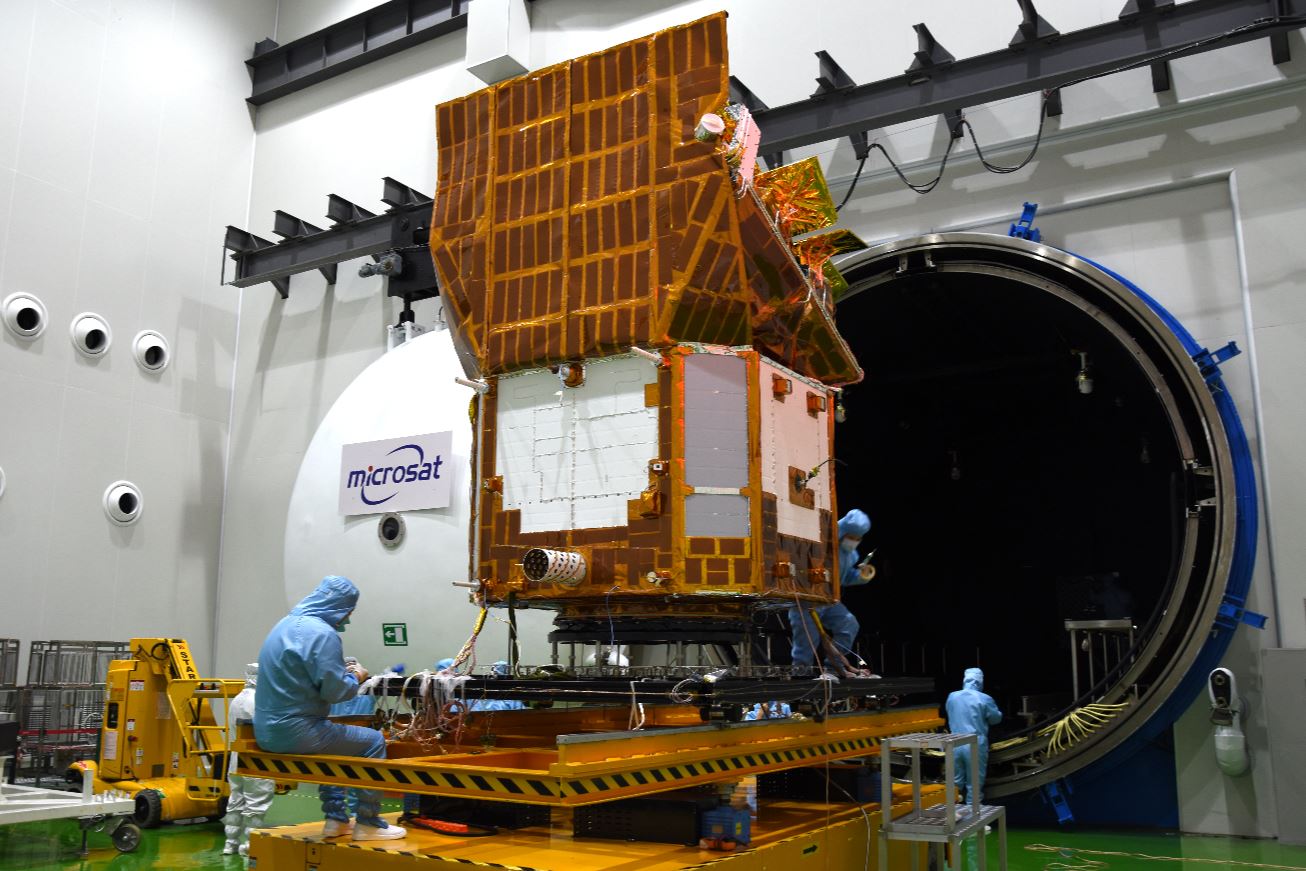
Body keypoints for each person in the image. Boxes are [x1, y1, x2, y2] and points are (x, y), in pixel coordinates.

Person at [255, 575, 406, 841]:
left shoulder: (283, 625)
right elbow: (336, 693)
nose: (347, 619)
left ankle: (336, 820)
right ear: (339, 606)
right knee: (373, 741)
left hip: (266, 731)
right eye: (348, 612)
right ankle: (368, 823)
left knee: (333, 741)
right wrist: (356, 675)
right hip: (297, 732)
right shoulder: (323, 634)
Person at [787, 508, 875, 672]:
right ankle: (800, 674)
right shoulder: (820, 544)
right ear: (843, 531)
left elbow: (845, 578)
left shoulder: (850, 555)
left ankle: (834, 668)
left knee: (849, 624)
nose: (854, 541)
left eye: (858, 538)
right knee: (807, 639)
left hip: (829, 601)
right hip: (809, 600)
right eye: (851, 537)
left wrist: (862, 576)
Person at [223, 663, 275, 857]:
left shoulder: (237, 699)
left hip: (236, 759)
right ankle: (249, 845)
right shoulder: (260, 702)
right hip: (256, 760)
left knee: (235, 800)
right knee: (256, 804)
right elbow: (267, 732)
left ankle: (230, 844)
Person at [945, 668, 1003, 805]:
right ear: (980, 681)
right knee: (975, 782)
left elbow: (949, 713)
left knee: (954, 782)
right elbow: (995, 719)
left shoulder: (952, 696)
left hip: (954, 743)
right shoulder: (984, 698)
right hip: (975, 744)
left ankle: (952, 811)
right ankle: (973, 813)